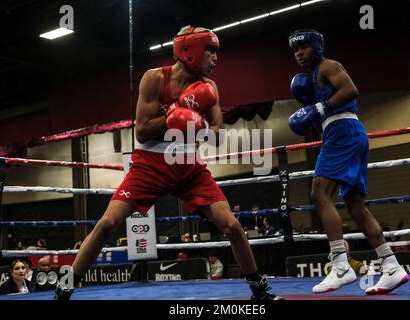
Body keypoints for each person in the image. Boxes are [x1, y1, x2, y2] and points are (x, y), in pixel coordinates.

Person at [54, 26, 282, 300]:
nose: (216, 59)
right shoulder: (154, 79)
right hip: (151, 162)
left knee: (232, 225)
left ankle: (259, 289)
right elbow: (142, 130)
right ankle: (65, 287)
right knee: (107, 224)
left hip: (189, 164)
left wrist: (197, 126)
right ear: (192, 51)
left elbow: (218, 135)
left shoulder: (209, 88)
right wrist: (177, 112)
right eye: (211, 51)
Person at [288, 29, 409, 294]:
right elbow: (327, 114)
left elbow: (351, 90)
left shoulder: (329, 66)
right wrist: (314, 113)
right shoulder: (312, 82)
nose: (299, 53)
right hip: (344, 132)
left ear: (317, 47)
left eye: (304, 47)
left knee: (320, 192)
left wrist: (319, 108)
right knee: (355, 206)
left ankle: (341, 267)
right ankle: (391, 266)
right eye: (295, 49)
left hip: (344, 132)